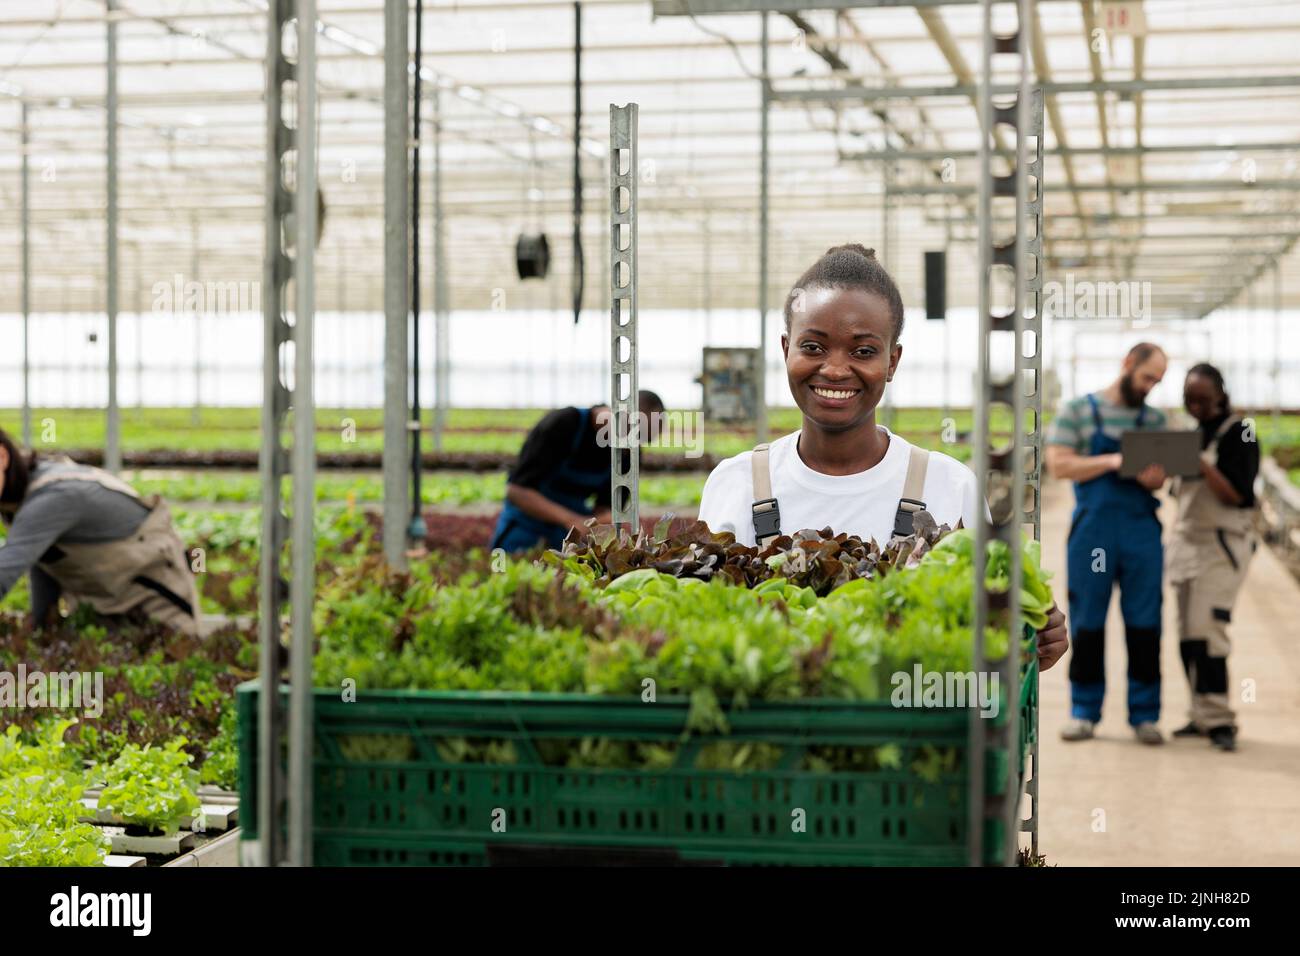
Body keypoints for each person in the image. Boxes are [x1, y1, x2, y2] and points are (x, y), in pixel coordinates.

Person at [697, 244, 1068, 672]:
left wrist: (1031, 635)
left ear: (892, 361)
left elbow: (983, 635)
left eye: (863, 351)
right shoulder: (737, 481)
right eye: (813, 347)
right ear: (786, 350)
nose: (835, 370)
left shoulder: (947, 484)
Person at [1045, 342, 1170, 745]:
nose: (1151, 386)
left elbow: (1162, 477)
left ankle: (1145, 714)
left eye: (1158, 381)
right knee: (1088, 620)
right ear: (1128, 363)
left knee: (1146, 622)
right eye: (1148, 376)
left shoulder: (1154, 420)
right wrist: (1113, 462)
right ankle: (1083, 711)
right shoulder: (1079, 411)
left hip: (1141, 530)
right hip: (1094, 533)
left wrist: (1153, 477)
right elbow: (1059, 463)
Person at [0, 429, 200, 636]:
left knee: (168, 656)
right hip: (102, 605)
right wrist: (42, 628)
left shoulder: (55, 497)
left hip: (156, 603)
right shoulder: (19, 496)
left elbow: (7, 568)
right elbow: (43, 558)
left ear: (2, 456)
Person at [1167, 364, 1259, 752]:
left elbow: (1236, 494)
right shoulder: (1191, 433)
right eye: (1190, 399)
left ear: (1221, 394)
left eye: (1203, 399)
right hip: (1186, 543)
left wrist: (1200, 462)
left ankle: (1220, 718)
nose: (1196, 406)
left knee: (1209, 631)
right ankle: (1200, 713)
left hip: (1222, 544)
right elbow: (1176, 492)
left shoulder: (1241, 431)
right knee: (1187, 633)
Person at [490, 391, 665, 553]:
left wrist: (605, 523)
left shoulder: (628, 455)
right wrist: (571, 520)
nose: (632, 445)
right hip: (524, 526)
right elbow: (516, 491)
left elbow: (604, 508)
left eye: (642, 439)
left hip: (566, 536)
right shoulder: (565, 423)